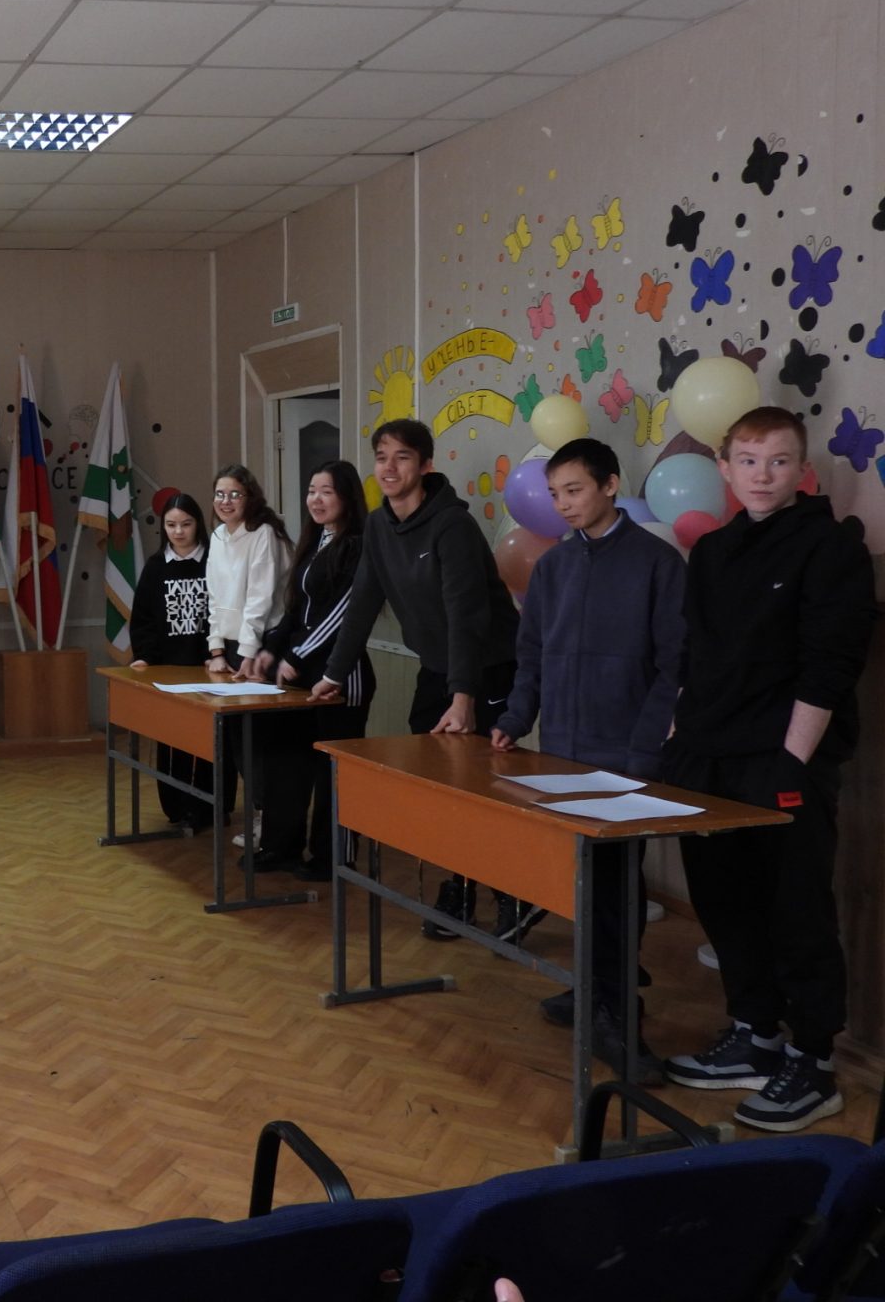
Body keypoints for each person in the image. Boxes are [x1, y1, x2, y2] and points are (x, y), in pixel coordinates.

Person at [661, 407, 875, 1132]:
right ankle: (755, 1034)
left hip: (780, 760)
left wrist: (791, 762)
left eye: (778, 461)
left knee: (795, 910)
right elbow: (695, 655)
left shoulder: (830, 546)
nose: (762, 475)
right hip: (705, 755)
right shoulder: (713, 551)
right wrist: (677, 735)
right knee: (724, 900)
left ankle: (812, 1061)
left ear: (801, 470)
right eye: (748, 461)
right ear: (725, 469)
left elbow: (830, 665)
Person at [490, 438, 684, 1083]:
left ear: (609, 484)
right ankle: (593, 989)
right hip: (562, 753)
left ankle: (617, 1012)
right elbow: (532, 657)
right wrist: (514, 720)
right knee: (581, 880)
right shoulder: (552, 567)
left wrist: (643, 751)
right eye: (555, 494)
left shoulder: (657, 563)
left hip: (625, 754)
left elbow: (673, 668)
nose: (564, 505)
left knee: (618, 886)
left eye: (574, 490)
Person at [312, 418, 526, 940]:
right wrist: (333, 673)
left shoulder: (452, 526)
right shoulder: (379, 526)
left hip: (486, 669)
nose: (389, 468)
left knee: (485, 787)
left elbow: (466, 615)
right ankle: (461, 888)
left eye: (402, 457)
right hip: (437, 668)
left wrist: (463, 697)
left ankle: (513, 895)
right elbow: (363, 602)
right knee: (439, 787)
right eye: (381, 457)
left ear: (426, 465)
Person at [250, 460, 375, 882]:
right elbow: (296, 610)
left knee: (332, 772)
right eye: (311, 491)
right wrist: (271, 650)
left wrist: (297, 656)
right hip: (299, 678)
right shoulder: (316, 540)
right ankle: (280, 846)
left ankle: (333, 859)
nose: (316, 500)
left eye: (326, 492)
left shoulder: (358, 545)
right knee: (286, 761)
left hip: (340, 679)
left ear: (346, 497)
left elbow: (343, 614)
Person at [203, 465, 290, 823]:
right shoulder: (218, 536)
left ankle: (268, 819)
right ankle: (259, 814)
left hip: (261, 645)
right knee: (236, 737)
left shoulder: (263, 534)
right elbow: (214, 597)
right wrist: (216, 649)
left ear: (249, 497)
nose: (226, 501)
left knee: (258, 739)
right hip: (232, 646)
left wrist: (247, 655)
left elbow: (260, 599)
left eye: (235, 494)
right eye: (220, 494)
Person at [128, 491, 214, 829]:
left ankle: (209, 807)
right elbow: (143, 619)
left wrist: (216, 654)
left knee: (209, 742)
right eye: (171, 525)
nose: (178, 532)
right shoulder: (155, 567)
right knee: (173, 740)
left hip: (208, 669)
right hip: (167, 671)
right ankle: (176, 807)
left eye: (186, 524)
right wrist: (144, 657)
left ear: (198, 524)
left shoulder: (214, 560)